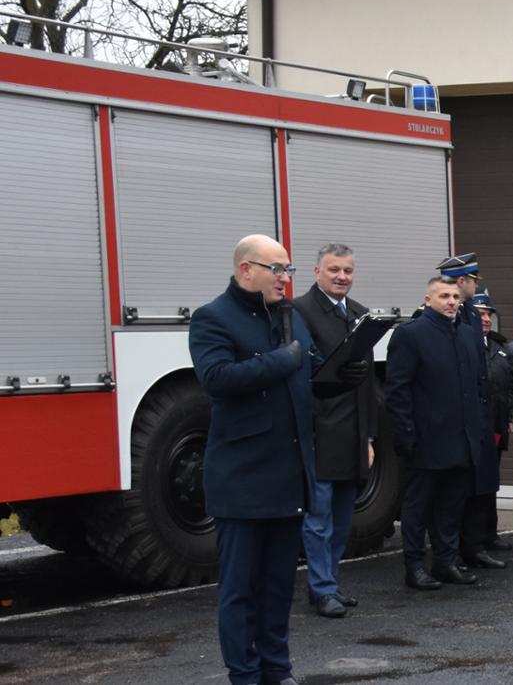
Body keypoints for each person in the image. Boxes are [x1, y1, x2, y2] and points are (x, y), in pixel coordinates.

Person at [192, 235, 361, 685]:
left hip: (289, 479)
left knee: (277, 587)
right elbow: (216, 379)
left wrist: (343, 374)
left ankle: (277, 668)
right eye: (277, 269)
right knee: (240, 591)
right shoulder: (214, 318)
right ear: (246, 269)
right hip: (243, 482)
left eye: (288, 269)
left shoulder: (291, 318)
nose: (286, 278)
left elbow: (309, 380)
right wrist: (280, 361)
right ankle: (244, 675)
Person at [387, 276, 492, 590]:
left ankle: (446, 562)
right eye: (444, 296)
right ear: (428, 299)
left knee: (451, 505)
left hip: (462, 440)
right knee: (418, 508)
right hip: (426, 440)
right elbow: (397, 391)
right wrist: (407, 435)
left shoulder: (466, 335)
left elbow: (477, 387)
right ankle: (415, 566)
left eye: (455, 297)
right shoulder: (411, 335)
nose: (451, 302)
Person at [289, 243, 377, 619]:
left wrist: (370, 437)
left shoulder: (359, 315)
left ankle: (332, 583)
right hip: (319, 431)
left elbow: (369, 385)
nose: (342, 276)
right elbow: (302, 372)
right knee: (319, 518)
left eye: (348, 271)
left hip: (353, 433)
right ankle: (321, 588)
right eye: (334, 270)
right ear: (316, 271)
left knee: (342, 519)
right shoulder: (299, 312)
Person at [470, 292, 513, 567]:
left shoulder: (500, 349)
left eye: (488, 314)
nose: (486, 319)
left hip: (497, 424)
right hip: (477, 426)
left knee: (491, 483)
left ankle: (490, 533)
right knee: (476, 485)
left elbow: (509, 387)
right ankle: (475, 538)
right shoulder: (468, 346)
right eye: (480, 314)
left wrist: (509, 418)